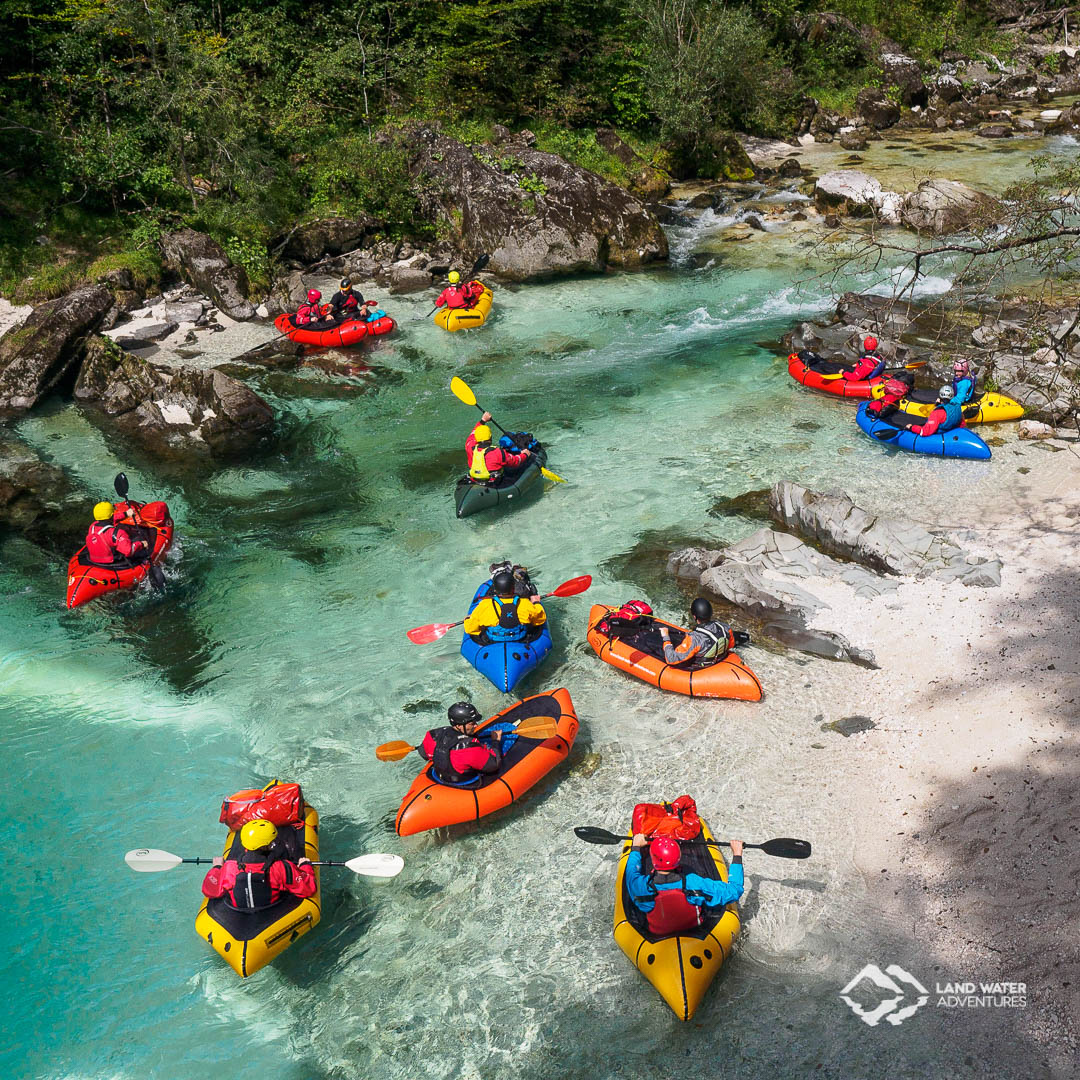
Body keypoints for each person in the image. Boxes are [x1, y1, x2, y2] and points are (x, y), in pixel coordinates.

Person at [624, 833, 745, 936]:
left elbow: (631, 872)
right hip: (694, 933)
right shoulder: (694, 883)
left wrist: (635, 848)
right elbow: (735, 889)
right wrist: (737, 854)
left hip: (657, 938)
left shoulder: (641, 887)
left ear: (653, 860)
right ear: (678, 858)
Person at [200, 819, 317, 911]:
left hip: (240, 915)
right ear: (270, 845)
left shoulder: (230, 867)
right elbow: (308, 888)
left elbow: (209, 890)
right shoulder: (280, 867)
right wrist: (305, 865)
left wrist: (217, 867)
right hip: (271, 910)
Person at [418, 702, 506, 786]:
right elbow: (494, 764)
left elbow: (424, 754)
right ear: (459, 726)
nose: (476, 725)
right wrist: (496, 741)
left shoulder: (433, 734)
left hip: (439, 776)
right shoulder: (470, 748)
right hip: (463, 782)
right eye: (472, 723)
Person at [658, 597, 749, 666]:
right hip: (719, 657)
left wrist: (666, 638)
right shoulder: (725, 628)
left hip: (704, 665)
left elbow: (671, 659)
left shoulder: (694, 639)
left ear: (694, 617)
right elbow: (731, 644)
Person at [463, 569, 547, 642]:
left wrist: (467, 619)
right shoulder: (524, 603)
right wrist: (536, 602)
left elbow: (470, 629)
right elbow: (540, 620)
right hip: (521, 638)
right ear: (513, 588)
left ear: (495, 590)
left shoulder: (485, 605)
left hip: (493, 640)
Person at [465, 412, 532, 483]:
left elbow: (473, 432)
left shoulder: (469, 446)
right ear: (490, 437)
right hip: (493, 483)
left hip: (475, 480)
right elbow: (515, 461)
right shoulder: (497, 452)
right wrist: (525, 454)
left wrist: (483, 420)